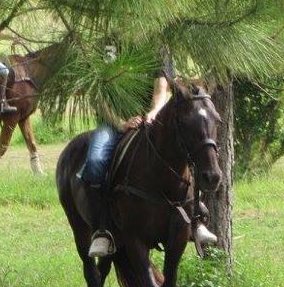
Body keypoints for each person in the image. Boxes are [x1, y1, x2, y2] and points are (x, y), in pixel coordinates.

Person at [80, 47, 217, 258]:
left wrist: (153, 112)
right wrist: (120, 123)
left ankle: (196, 218)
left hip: (151, 117)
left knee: (186, 149)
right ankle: (103, 229)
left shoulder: (156, 47)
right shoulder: (107, 46)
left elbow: (161, 88)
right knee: (95, 162)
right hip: (113, 122)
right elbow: (100, 97)